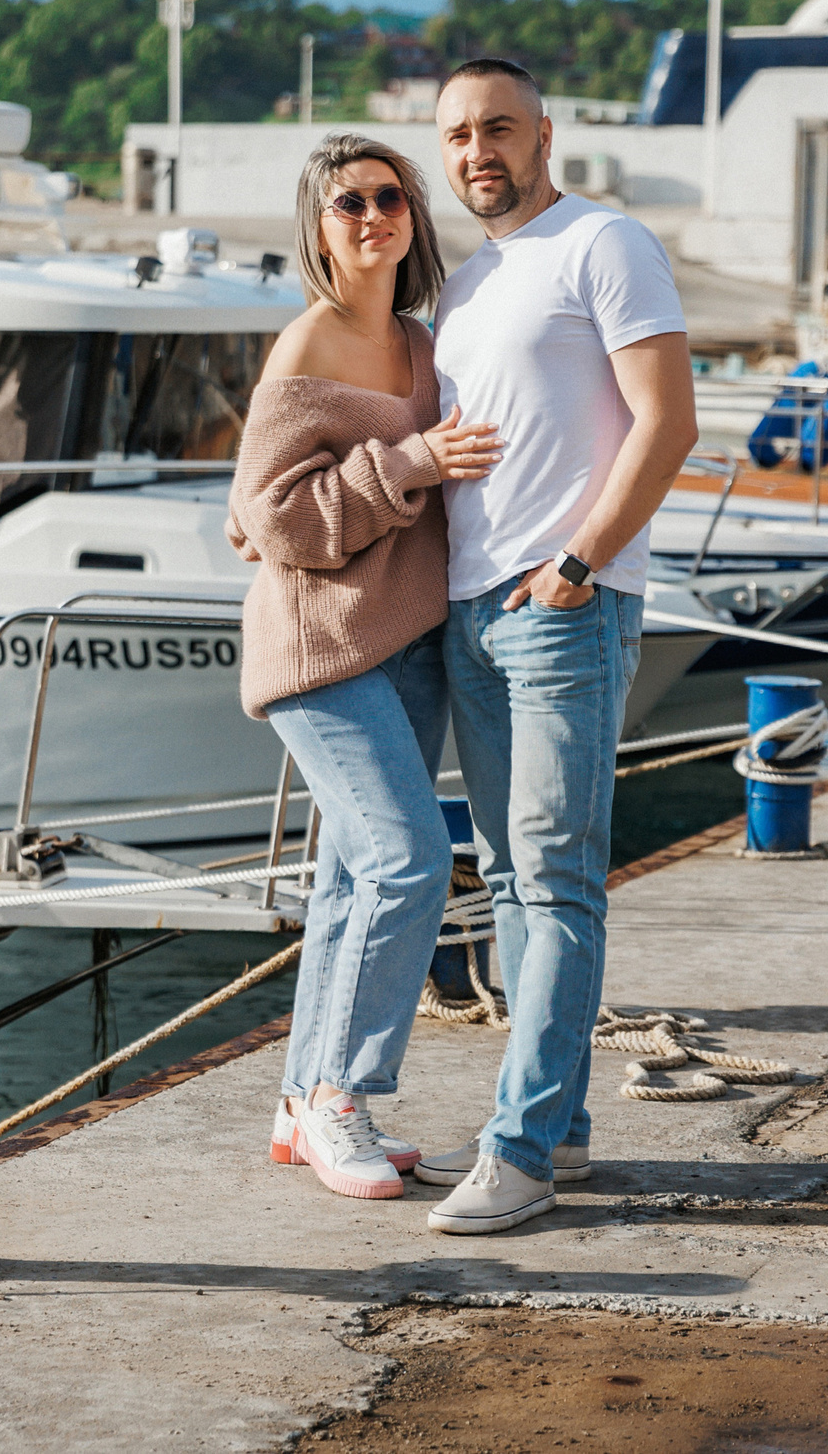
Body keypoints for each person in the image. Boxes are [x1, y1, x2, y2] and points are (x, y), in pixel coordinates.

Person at [412, 58, 699, 1235]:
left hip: (563, 610)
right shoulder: (469, 285)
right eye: (458, 135)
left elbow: (669, 422)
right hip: (472, 610)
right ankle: (561, 1129)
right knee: (516, 883)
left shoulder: (605, 244)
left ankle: (518, 1149)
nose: (478, 150)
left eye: (498, 128)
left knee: (560, 877)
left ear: (544, 133)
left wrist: (579, 565)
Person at [227, 132, 503, 1201]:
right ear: (319, 224)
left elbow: (256, 506)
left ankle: (304, 1106)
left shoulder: (424, 344)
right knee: (409, 861)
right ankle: (342, 1091)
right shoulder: (308, 345)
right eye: (350, 202)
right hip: (321, 652)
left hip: (411, 640)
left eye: (392, 196)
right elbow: (272, 520)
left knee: (350, 879)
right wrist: (412, 461)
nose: (374, 215)